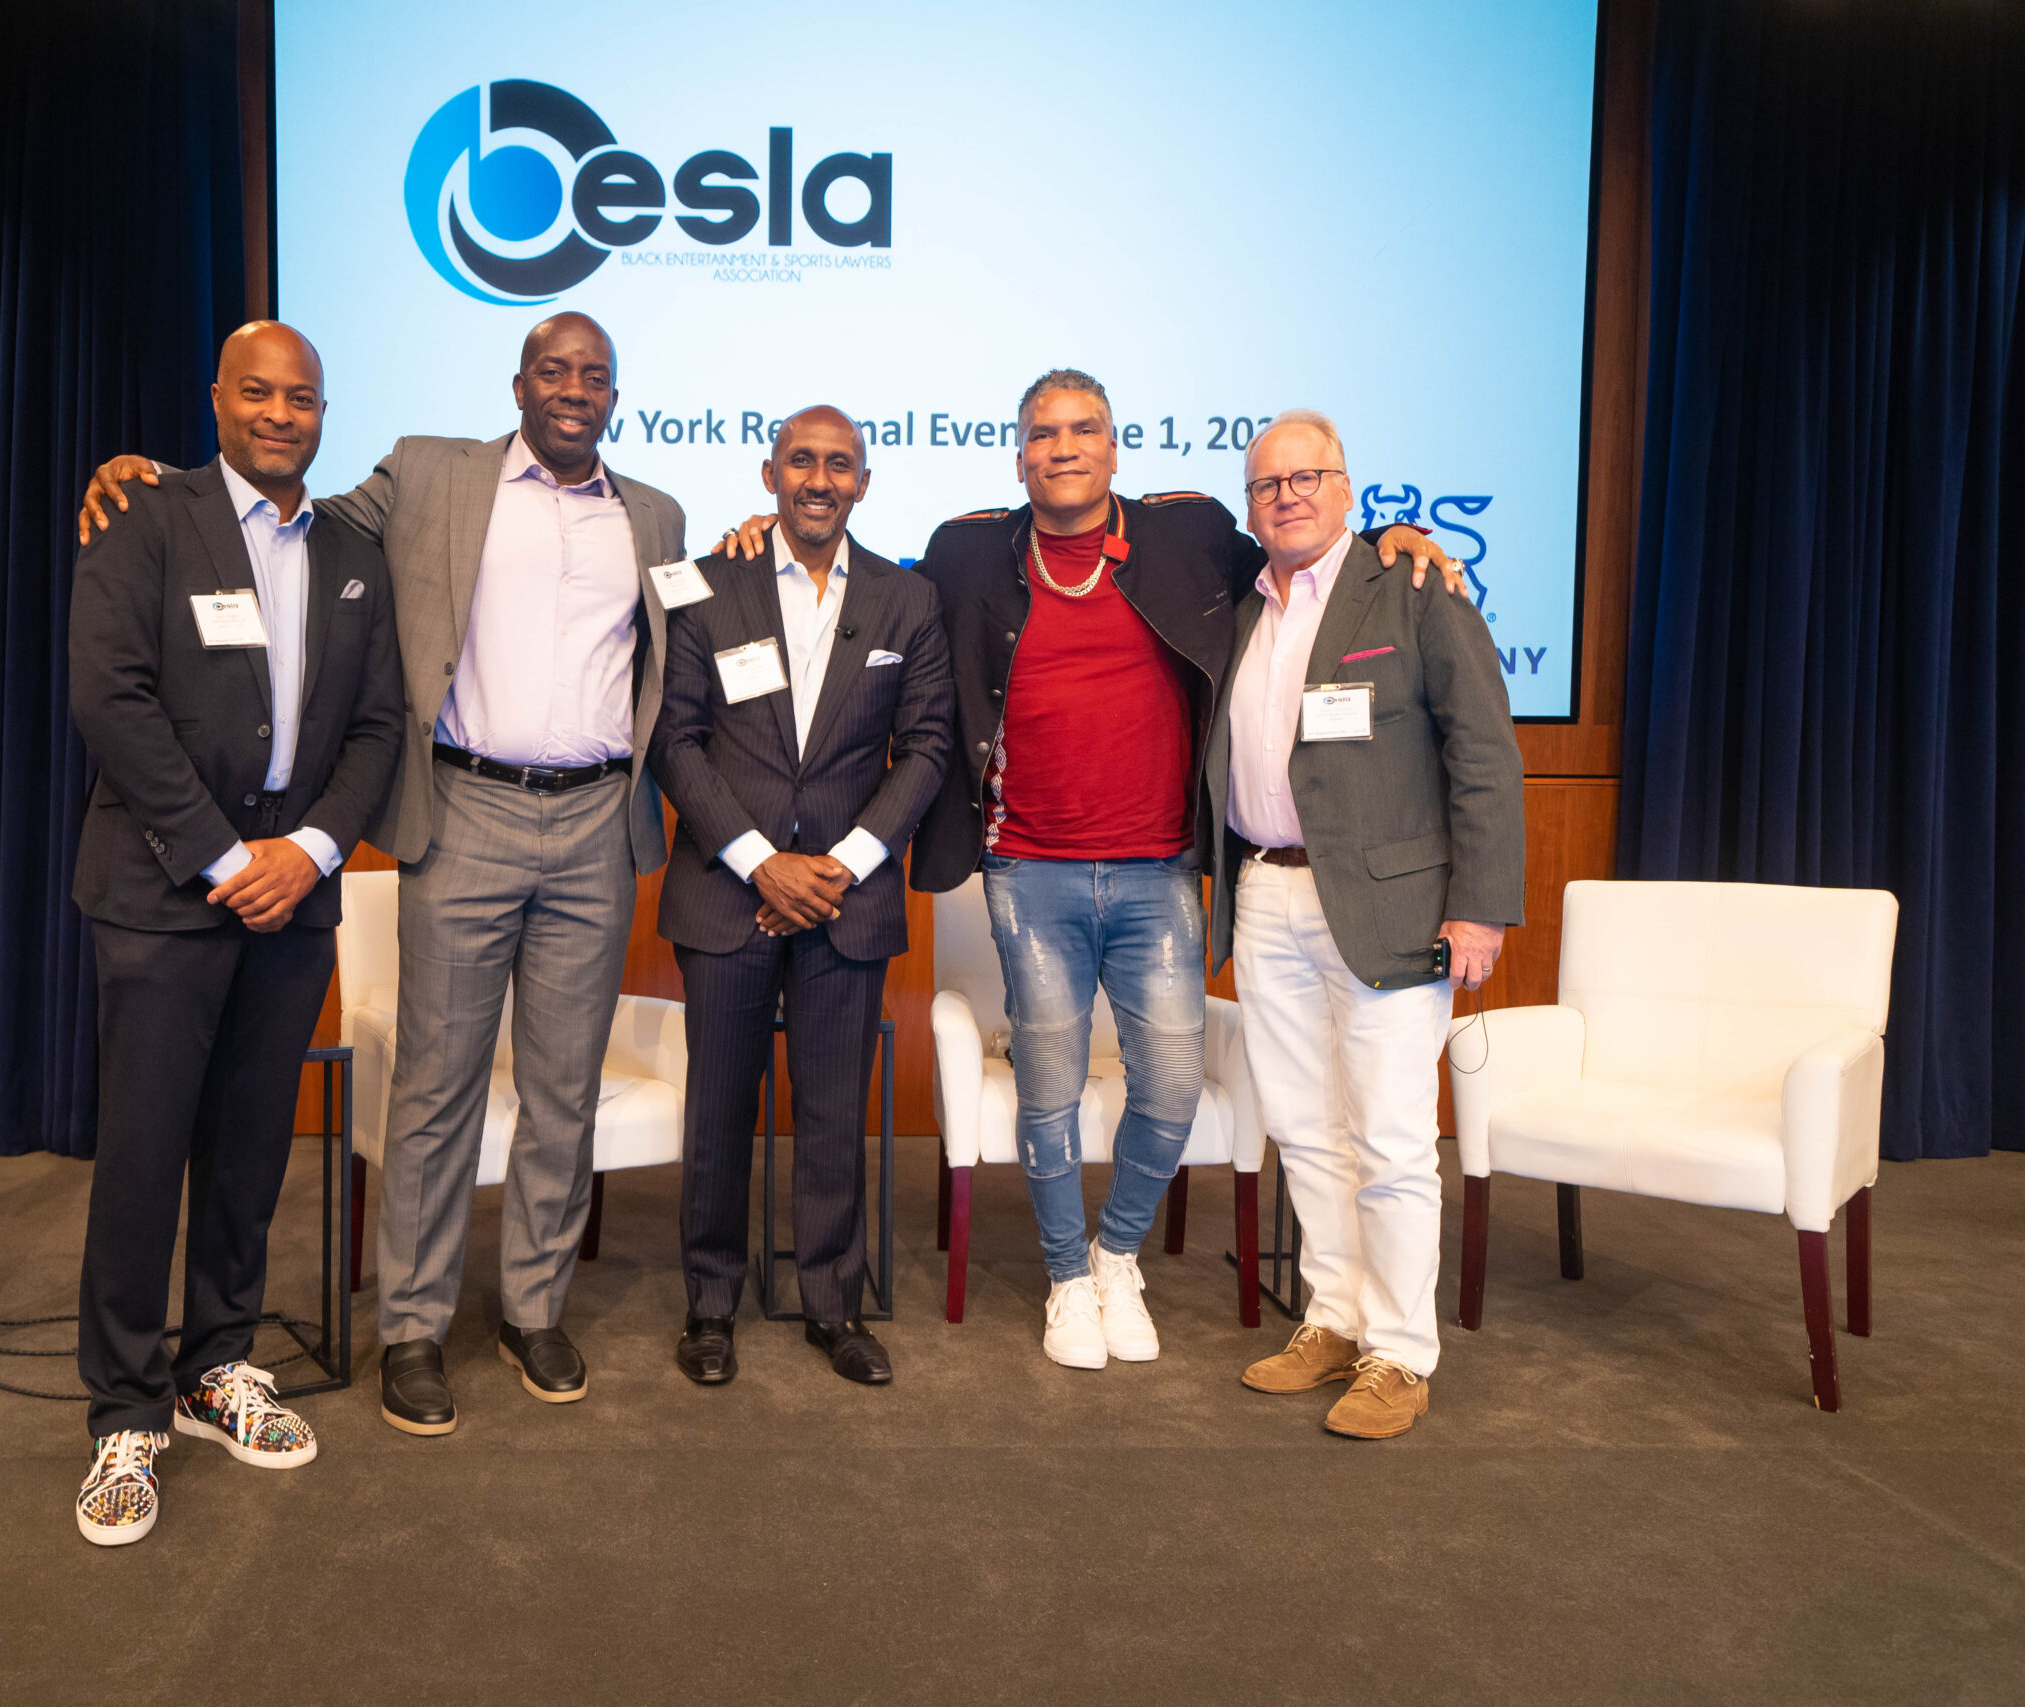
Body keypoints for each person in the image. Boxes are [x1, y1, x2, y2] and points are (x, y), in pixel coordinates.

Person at [724, 372, 1455, 1368]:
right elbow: (864, 588)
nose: (1062, 448)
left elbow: (1304, 552)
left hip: (1159, 872)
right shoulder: (967, 551)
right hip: (1029, 872)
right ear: (1018, 456)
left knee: (1171, 1085)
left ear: (1114, 448)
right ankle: (1067, 1278)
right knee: (1050, 1085)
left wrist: (1390, 537)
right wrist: (760, 538)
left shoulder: (1190, 533)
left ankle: (1118, 1256)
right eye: (1042, 434)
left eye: (1082, 431)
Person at [78, 314, 687, 1437]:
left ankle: (534, 1310)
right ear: (518, 385)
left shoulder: (656, 516)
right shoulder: (426, 474)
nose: (573, 389)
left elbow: (683, 639)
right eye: (552, 370)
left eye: (595, 376)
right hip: (463, 810)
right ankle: (413, 1326)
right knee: (435, 1086)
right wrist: (148, 472)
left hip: (598, 822)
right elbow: (275, 503)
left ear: (616, 395)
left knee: (565, 1089)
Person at [66, 321, 405, 1544]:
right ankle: (124, 1412)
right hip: (166, 892)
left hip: (293, 894)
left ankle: (216, 1367)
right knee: (144, 1153)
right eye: (257, 393)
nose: (278, 414)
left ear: (323, 413)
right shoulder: (144, 518)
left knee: (251, 1150)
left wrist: (306, 852)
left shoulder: (355, 553)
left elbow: (377, 727)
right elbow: (110, 698)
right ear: (216, 399)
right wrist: (223, 858)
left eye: (300, 398)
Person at [1206, 410, 1523, 1439]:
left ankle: (1400, 1353)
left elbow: (1484, 751)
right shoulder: (1242, 607)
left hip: (1391, 904)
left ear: (1347, 490)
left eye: (1307, 477)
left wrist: (1479, 906)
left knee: (1388, 1136)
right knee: (1304, 1128)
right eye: (1267, 485)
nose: (1287, 496)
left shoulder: (1412, 586)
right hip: (1267, 894)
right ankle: (1334, 1318)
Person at [649, 406, 953, 1387]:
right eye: (801, 461)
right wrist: (760, 863)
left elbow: (928, 749)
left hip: (844, 901)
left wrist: (839, 867)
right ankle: (709, 1307)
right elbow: (674, 740)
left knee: (832, 1115)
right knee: (718, 1112)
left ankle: (833, 1306)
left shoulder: (908, 600)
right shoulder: (705, 583)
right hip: (726, 892)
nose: (819, 479)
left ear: (863, 481)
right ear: (769, 472)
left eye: (839, 465)